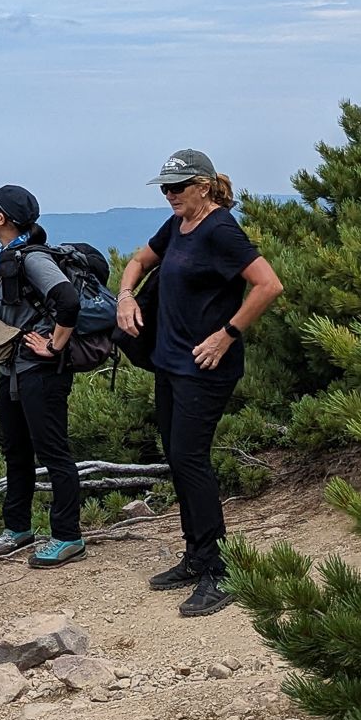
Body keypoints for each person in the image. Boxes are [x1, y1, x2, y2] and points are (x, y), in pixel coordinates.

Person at [114, 148, 285, 617]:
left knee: (191, 458)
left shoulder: (221, 229)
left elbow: (268, 284)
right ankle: (196, 556)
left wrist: (227, 335)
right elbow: (137, 261)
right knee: (176, 455)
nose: (169, 195)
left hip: (205, 368)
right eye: (165, 188)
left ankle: (220, 569)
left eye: (178, 187)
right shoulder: (178, 226)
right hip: (171, 364)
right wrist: (126, 298)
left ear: (204, 187)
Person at [0, 184, 88, 566]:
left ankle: (68, 536)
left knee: (53, 452)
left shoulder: (31, 259)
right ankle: (17, 527)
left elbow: (68, 300)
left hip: (41, 372)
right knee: (16, 450)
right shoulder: (8, 255)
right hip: (14, 370)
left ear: (1, 218)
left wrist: (55, 345)